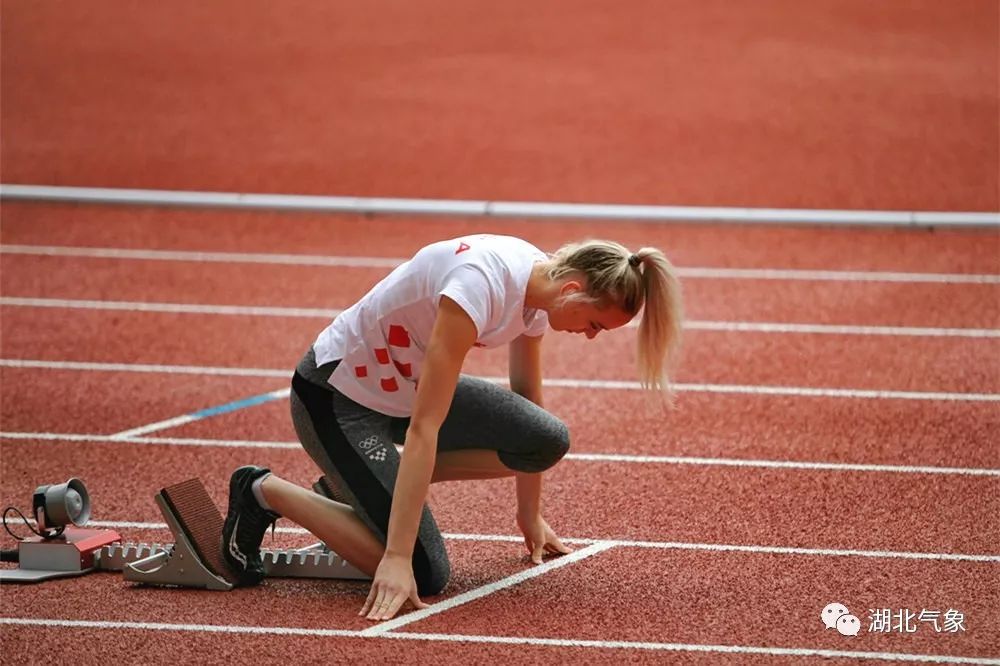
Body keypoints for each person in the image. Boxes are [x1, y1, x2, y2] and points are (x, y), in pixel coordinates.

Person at [220, 234, 683, 622]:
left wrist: (530, 514)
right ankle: (264, 491)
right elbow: (425, 428)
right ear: (574, 290)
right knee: (425, 574)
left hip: (407, 390)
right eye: (595, 325)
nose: (589, 336)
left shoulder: (542, 288)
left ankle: (357, 487)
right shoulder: (479, 284)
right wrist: (397, 559)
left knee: (545, 439)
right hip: (338, 398)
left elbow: (527, 399)